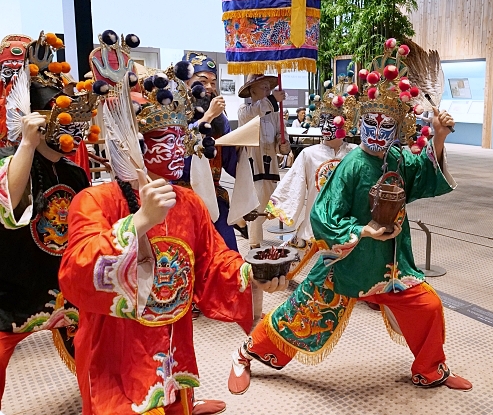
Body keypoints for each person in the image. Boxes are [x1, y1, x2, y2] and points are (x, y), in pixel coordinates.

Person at [59, 31, 286, 415]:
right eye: (164, 140)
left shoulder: (188, 203)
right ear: (135, 145)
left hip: (172, 343)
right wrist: (138, 224)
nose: (176, 151)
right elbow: (76, 275)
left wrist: (251, 274)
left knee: (174, 402)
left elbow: (214, 262)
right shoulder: (96, 201)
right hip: (116, 348)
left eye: (180, 140)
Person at [228, 40, 472, 395]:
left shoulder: (399, 159)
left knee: (428, 305)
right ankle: (246, 353)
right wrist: (363, 230)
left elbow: (425, 175)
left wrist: (438, 136)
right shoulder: (353, 164)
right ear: (359, 123)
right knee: (298, 315)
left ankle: (430, 368)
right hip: (346, 263)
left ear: (398, 128)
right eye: (369, 122)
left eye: (385, 124)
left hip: (392, 267)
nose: (376, 130)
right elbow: (324, 214)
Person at [0, 32, 96, 408]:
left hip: (64, 287)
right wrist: (26, 143)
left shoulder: (75, 173)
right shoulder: (14, 158)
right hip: (13, 287)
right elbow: (10, 206)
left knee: (100, 344)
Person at [266, 79, 357, 279]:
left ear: (345, 123)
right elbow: (294, 183)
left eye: (331, 120)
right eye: (322, 119)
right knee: (286, 268)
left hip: (347, 221)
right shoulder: (309, 154)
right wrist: (277, 207)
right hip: (316, 218)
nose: (325, 125)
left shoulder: (355, 154)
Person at [175, 52, 248, 248]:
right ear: (185, 82)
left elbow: (231, 164)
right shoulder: (173, 112)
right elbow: (177, 152)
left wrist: (242, 145)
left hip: (214, 198)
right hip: (181, 198)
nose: (209, 87)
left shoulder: (220, 119)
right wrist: (206, 117)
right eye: (202, 81)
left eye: (213, 82)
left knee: (227, 250)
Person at [236, 74, 290, 249]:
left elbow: (281, 137)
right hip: (253, 162)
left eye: (269, 87)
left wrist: (283, 145)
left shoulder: (275, 114)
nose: (268, 90)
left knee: (272, 202)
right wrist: (273, 99)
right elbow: (256, 112)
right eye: (264, 87)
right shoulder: (245, 111)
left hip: (271, 163)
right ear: (252, 90)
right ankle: (254, 243)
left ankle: (243, 223)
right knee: (257, 202)